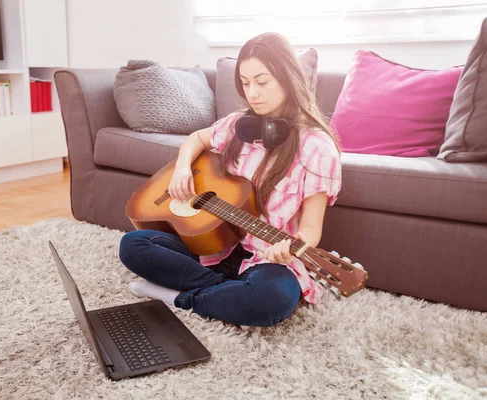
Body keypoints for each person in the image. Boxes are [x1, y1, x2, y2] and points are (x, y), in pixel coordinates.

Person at [118, 32, 342, 328]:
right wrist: (183, 167)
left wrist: (289, 248)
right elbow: (197, 139)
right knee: (133, 244)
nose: (253, 94)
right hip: (217, 246)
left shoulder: (318, 148)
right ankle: (222, 290)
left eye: (262, 82)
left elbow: (311, 228)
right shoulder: (240, 125)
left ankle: (179, 298)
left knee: (270, 300)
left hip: (268, 260)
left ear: (288, 78)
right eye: (246, 83)